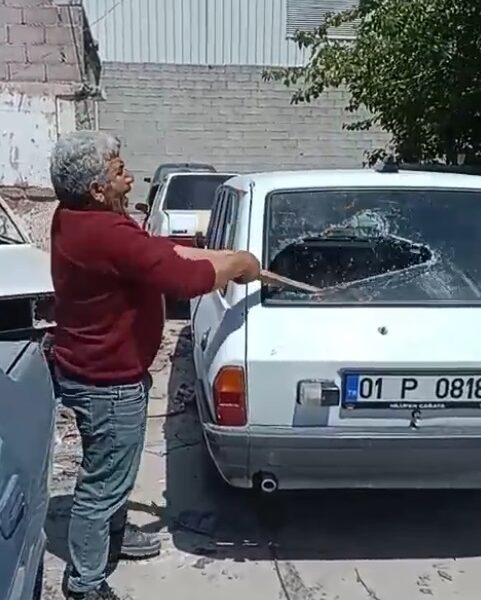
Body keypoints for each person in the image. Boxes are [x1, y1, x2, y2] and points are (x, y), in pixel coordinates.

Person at [49, 131, 260, 600]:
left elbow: (156, 254)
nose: (129, 176)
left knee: (113, 469)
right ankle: (84, 583)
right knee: (103, 483)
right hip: (107, 381)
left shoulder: (75, 216)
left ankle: (113, 536)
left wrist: (214, 256)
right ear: (97, 189)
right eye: (118, 169)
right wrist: (238, 263)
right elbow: (182, 280)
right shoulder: (106, 233)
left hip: (90, 369)